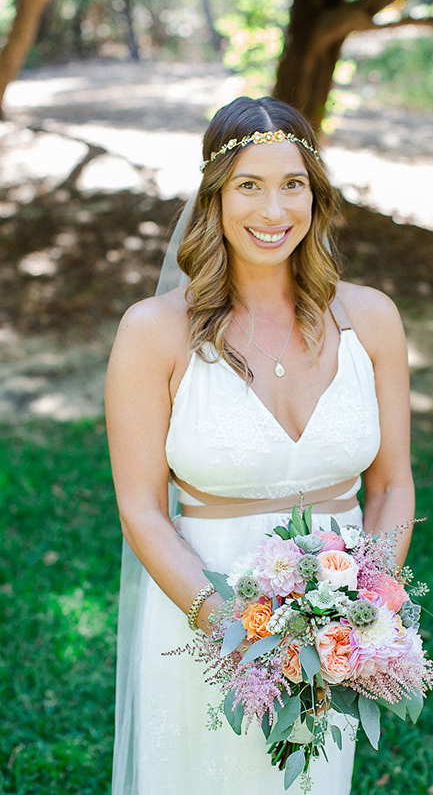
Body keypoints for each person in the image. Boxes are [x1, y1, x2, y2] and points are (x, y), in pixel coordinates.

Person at [105, 95, 414, 795]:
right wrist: (239, 640)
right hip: (202, 614)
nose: (273, 210)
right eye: (249, 185)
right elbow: (142, 509)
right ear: (214, 199)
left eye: (292, 184)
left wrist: (364, 611)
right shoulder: (153, 331)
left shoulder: (372, 320)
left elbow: (393, 484)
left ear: (316, 195)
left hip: (328, 640)